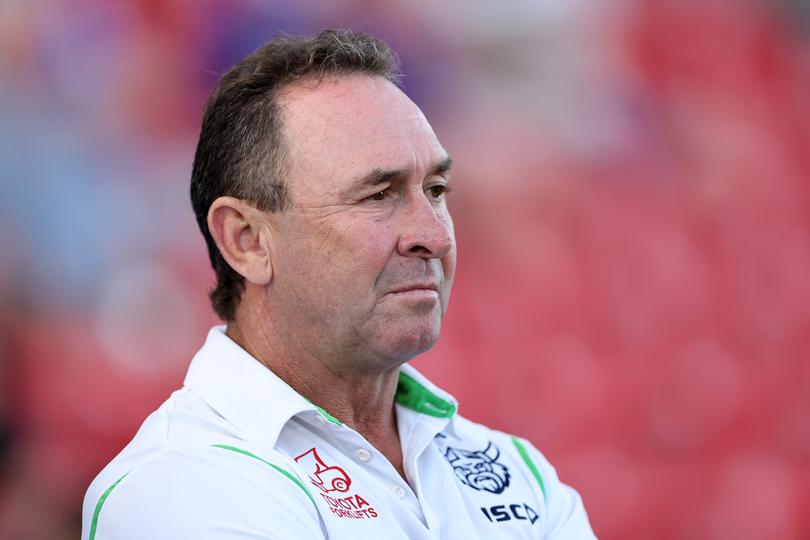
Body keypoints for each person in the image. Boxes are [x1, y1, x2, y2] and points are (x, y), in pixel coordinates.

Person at [81, 30, 596, 539]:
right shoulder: (176, 487)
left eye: (436, 190)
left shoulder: (519, 474)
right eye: (377, 196)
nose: (433, 236)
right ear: (247, 241)